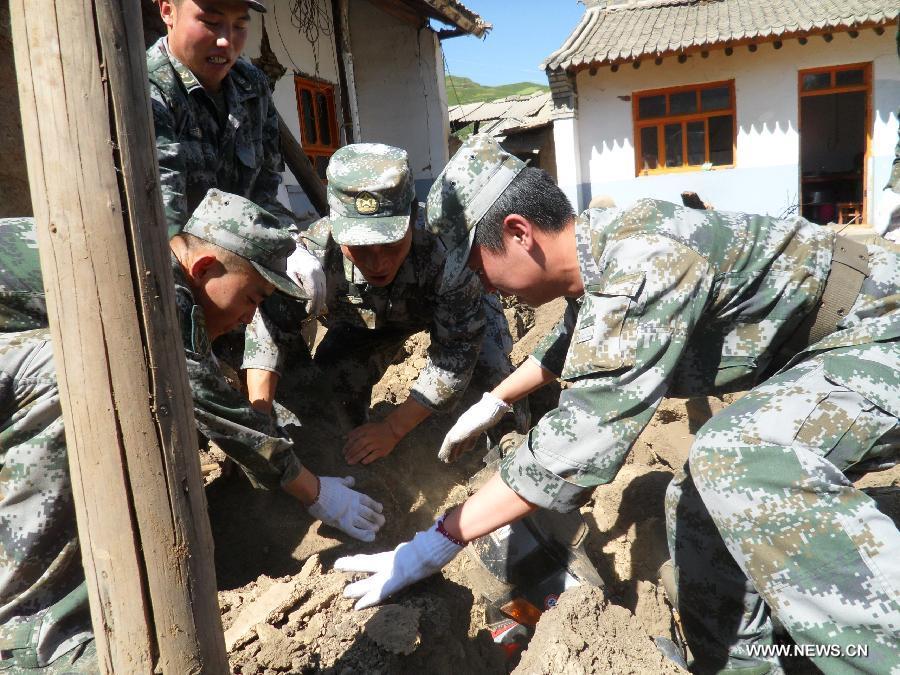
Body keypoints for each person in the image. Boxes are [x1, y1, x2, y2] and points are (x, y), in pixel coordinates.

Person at [334, 135, 900, 674]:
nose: (482, 286)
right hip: (832, 342)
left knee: (739, 456)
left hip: (880, 329)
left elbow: (580, 443)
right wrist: (495, 400)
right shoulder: (599, 242)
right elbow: (576, 339)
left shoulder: (643, 262)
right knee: (697, 498)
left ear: (519, 232)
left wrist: (436, 541)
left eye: (479, 266)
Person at [0, 191, 383, 671]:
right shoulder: (152, 289)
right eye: (251, 298)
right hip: (27, 362)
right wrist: (315, 492)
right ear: (203, 269)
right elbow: (210, 403)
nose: (249, 317)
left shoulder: (146, 256)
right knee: (79, 374)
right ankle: (28, 635)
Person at [289, 142, 525, 465]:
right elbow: (274, 337)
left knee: (492, 377)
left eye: (390, 243)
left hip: (450, 314)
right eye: (360, 247)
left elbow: (457, 351)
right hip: (369, 325)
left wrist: (392, 428)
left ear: (412, 214)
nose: (377, 262)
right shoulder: (314, 258)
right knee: (329, 384)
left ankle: (512, 441)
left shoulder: (446, 251)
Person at [147, 0, 326, 415]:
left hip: (238, 278)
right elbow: (167, 228)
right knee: (185, 399)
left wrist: (290, 244)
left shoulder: (250, 85)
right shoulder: (144, 92)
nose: (226, 41)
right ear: (168, 10)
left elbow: (265, 186)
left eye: (239, 25)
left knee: (293, 372)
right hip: (179, 277)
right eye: (209, 22)